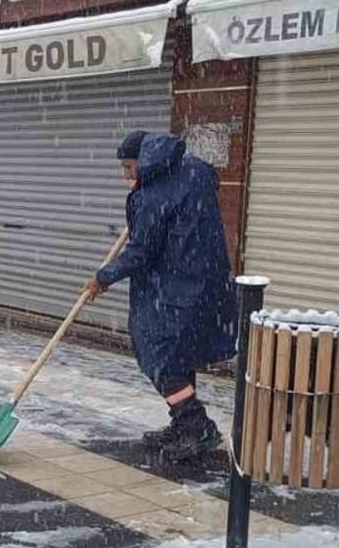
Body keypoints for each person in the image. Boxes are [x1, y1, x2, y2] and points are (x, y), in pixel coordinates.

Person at [85, 131, 237, 461]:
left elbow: (141, 253)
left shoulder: (152, 197)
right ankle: (184, 425)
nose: (127, 175)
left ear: (146, 160)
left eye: (129, 167)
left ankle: (196, 426)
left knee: (159, 356)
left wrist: (103, 277)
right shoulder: (193, 170)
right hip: (207, 280)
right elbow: (211, 181)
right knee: (179, 353)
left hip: (174, 286)